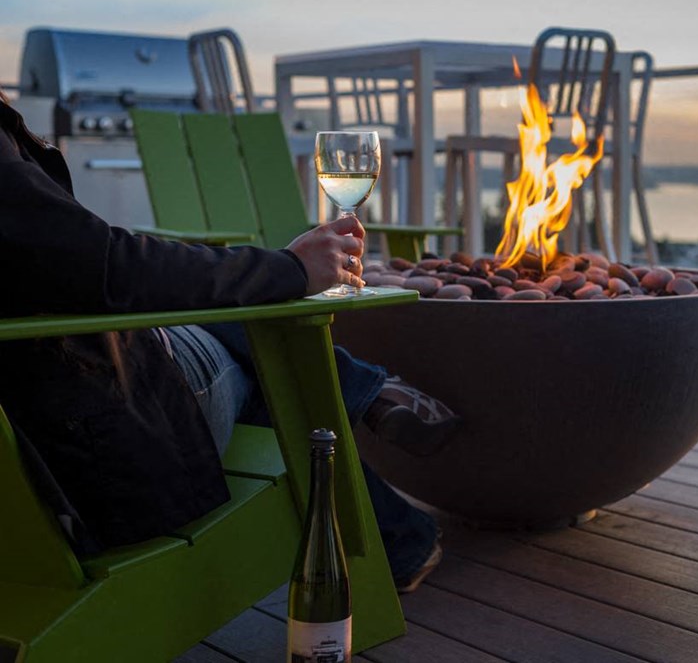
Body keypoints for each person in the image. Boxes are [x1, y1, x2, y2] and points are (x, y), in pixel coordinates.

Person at [0, 89, 454, 592]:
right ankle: (373, 404)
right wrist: (286, 269)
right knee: (269, 347)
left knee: (230, 315)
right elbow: (102, 268)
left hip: (40, 409)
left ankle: (400, 521)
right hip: (80, 436)